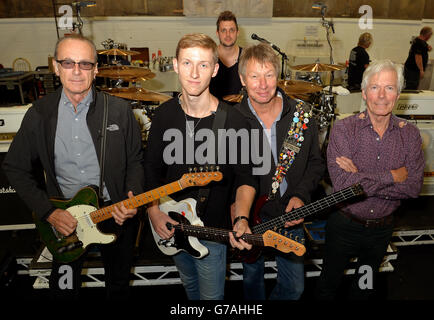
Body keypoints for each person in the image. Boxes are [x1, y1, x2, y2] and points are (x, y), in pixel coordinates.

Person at [2, 34, 145, 299]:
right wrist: (48, 212)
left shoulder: (118, 110)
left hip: (113, 215)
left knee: (118, 286)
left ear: (96, 69)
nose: (77, 71)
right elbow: (15, 167)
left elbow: (135, 160)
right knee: (64, 289)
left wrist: (131, 197)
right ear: (56, 67)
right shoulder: (40, 113)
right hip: (64, 220)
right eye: (68, 63)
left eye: (85, 64)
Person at [145, 33, 257, 300]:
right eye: (187, 63)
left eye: (203, 65)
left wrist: (241, 217)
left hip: (211, 230)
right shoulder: (163, 116)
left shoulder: (235, 121)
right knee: (190, 288)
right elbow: (151, 171)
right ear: (175, 65)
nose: (194, 73)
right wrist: (153, 211)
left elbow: (246, 178)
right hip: (170, 223)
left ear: (215, 69)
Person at [316, 60, 425, 300]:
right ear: (364, 94)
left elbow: (413, 188)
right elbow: (344, 186)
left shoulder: (410, 135)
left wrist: (360, 180)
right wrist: (392, 176)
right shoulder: (344, 130)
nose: (382, 96)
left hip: (381, 231)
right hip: (344, 226)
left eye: (389, 88)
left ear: (398, 94)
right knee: (328, 286)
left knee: (363, 288)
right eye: (375, 88)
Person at [235, 43, 325, 300]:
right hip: (250, 216)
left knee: (294, 288)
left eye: (269, 75)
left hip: (289, 214)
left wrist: (301, 195)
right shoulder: (233, 119)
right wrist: (236, 208)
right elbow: (231, 172)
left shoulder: (301, 115)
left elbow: (316, 163)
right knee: (252, 281)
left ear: (278, 76)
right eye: (254, 76)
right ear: (243, 79)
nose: (262, 84)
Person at [209, 11, 243, 101]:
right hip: (214, 111)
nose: (228, 35)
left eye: (232, 30)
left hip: (240, 112)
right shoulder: (209, 57)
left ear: (237, 33)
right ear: (217, 33)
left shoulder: (247, 57)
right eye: (223, 30)